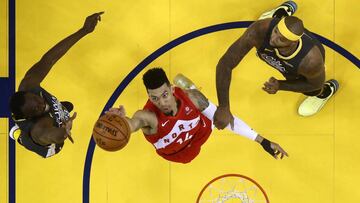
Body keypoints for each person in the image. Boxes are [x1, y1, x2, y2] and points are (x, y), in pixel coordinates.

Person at [106, 68, 288, 164]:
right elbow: (132, 125)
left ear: (170, 90)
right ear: (149, 97)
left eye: (164, 95)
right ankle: (187, 85)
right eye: (154, 98)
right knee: (196, 104)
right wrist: (120, 122)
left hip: (201, 133)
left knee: (211, 111)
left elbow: (227, 121)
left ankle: (189, 87)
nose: (161, 102)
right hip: (177, 155)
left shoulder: (192, 100)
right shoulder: (148, 118)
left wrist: (263, 141)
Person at [214, 1, 339, 130]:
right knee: (267, 26)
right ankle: (281, 14)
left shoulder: (311, 61)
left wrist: (281, 85)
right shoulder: (259, 30)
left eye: (281, 39)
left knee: (314, 90)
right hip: (272, 42)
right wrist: (224, 106)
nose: (273, 38)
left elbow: (315, 84)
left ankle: (326, 92)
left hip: (294, 69)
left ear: (293, 42)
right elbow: (225, 63)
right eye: (275, 31)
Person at [8, 12, 103, 158]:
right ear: (30, 116)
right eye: (36, 109)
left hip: (49, 117)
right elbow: (54, 136)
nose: (41, 103)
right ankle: (18, 135)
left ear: (29, 92)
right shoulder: (38, 130)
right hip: (50, 145)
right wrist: (64, 130)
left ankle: (58, 111)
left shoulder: (29, 83)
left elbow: (50, 59)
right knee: (24, 137)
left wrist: (84, 30)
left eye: (37, 99)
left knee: (65, 106)